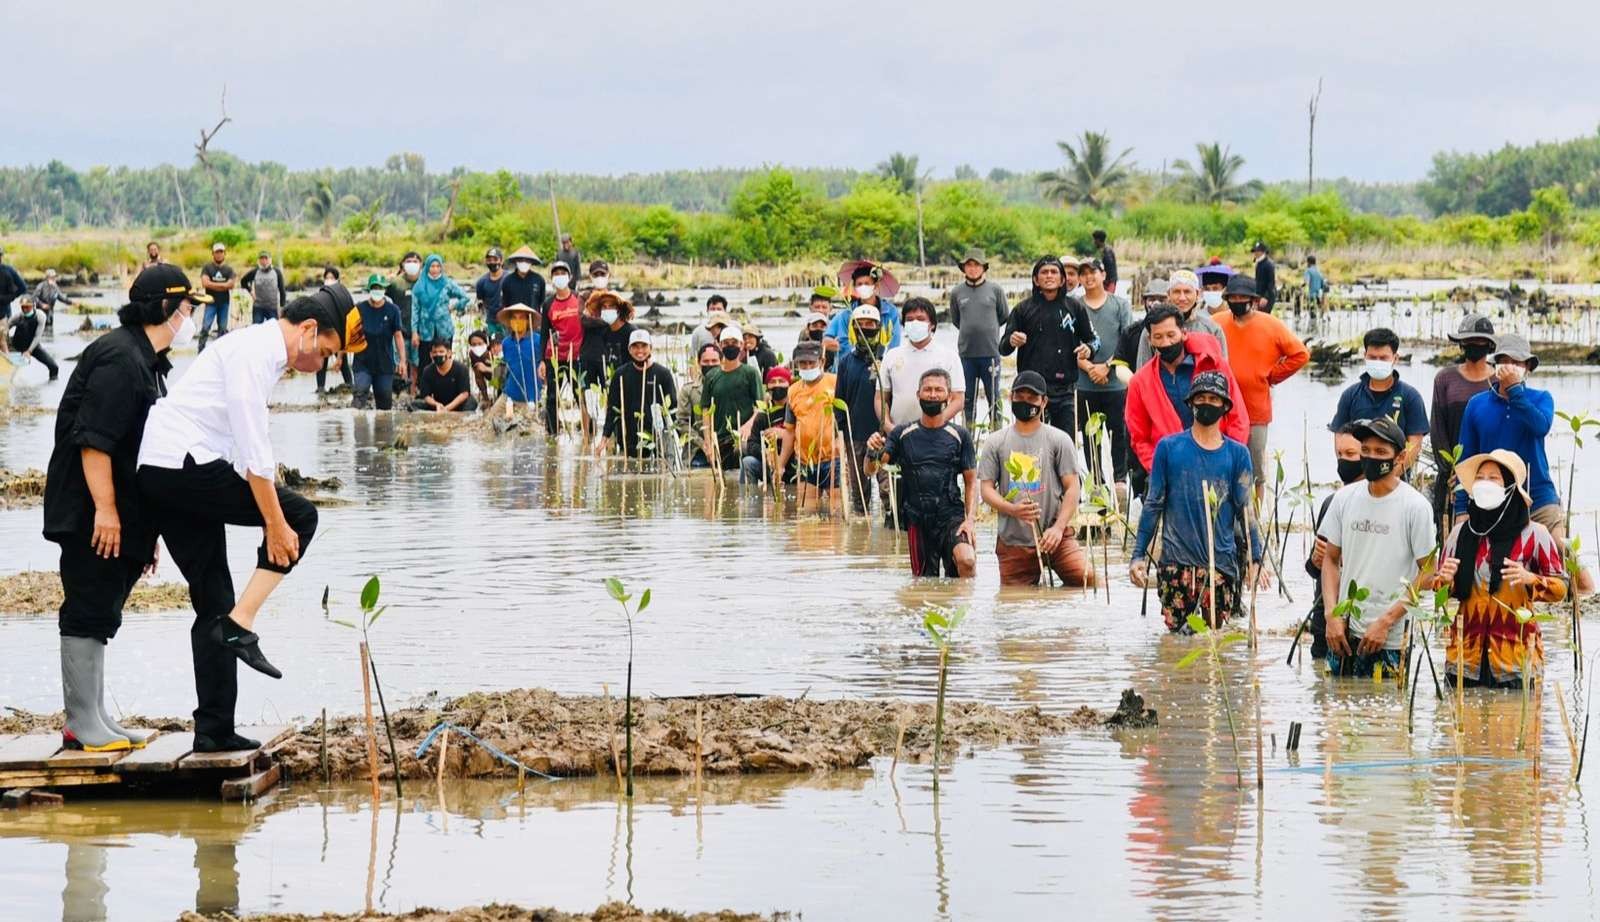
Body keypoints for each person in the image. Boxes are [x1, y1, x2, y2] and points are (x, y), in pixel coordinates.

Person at [137, 293, 344, 752]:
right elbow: (255, 456)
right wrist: (274, 522)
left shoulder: (254, 351)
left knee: (213, 599)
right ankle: (242, 623)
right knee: (300, 517)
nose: (323, 363)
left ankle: (213, 730)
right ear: (308, 329)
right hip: (184, 466)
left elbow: (236, 448)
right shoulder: (256, 353)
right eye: (327, 353)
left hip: (166, 471)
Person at [42, 265, 195, 752]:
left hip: (119, 512)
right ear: (166, 309)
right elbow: (94, 443)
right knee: (87, 607)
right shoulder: (118, 359)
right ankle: (80, 722)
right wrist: (106, 511)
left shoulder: (146, 360)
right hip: (90, 511)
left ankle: (97, 716)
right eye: (187, 308)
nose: (191, 317)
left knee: (103, 609)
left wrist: (142, 531)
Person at [1130, 371, 1265, 632]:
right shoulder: (1168, 448)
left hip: (1220, 568)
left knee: (1211, 642)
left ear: (1225, 406)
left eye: (1213, 399)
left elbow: (1245, 511)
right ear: (1191, 403)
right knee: (1178, 647)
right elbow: (1153, 504)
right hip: (1174, 567)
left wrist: (1255, 559)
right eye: (1201, 397)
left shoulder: (1238, 454)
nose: (1206, 403)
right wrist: (1138, 556)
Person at [1434, 450, 1568, 688]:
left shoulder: (1534, 535)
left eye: (1493, 477)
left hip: (1516, 660)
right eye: (1480, 477)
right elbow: (1442, 590)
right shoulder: (1459, 534)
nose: (1485, 483)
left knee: (1515, 721)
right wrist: (1444, 580)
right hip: (1464, 658)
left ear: (1510, 487)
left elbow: (1561, 589)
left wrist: (1531, 579)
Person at [1318, 417, 1438, 677]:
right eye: (1366, 450)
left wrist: (1386, 621)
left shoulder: (1415, 507)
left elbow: (1427, 574)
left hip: (1390, 637)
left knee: (1386, 713)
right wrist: (1331, 615)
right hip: (1343, 630)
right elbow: (1330, 560)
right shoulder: (1343, 499)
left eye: (1381, 452)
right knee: (1338, 710)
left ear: (1400, 457)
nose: (1372, 457)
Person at [978, 371, 1093, 587]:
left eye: (1032, 398)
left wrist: (1058, 528)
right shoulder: (996, 442)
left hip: (1056, 536)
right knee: (1015, 603)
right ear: (1011, 397)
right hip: (1014, 542)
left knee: (1089, 581)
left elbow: (1072, 488)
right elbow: (986, 489)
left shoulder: (1059, 439)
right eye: (1019, 396)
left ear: (1044, 402)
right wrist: (1011, 509)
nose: (1025, 402)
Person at [865, 369, 978, 578]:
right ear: (918, 395)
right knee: (924, 584)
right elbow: (872, 468)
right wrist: (871, 451)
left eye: (938, 390)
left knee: (967, 561)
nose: (933, 395)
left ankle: (966, 609)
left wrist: (970, 520)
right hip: (917, 520)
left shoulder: (960, 435)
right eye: (927, 390)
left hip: (951, 516)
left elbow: (972, 482)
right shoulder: (902, 434)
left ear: (949, 396)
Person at [1125, 307, 1249, 493]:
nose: (1166, 342)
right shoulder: (1139, 382)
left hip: (1218, 462)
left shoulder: (1214, 365)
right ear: (1149, 340)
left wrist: (1228, 460)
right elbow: (1139, 437)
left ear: (1183, 333)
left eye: (1171, 335)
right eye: (1158, 337)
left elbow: (1237, 418)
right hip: (1170, 471)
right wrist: (1159, 469)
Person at [1453, 335, 1565, 538]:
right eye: (1504, 361)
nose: (1509, 367)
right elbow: (1466, 457)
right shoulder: (1476, 404)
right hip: (1491, 499)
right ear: (1495, 365)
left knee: (1561, 549)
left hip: (1538, 495)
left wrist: (1515, 390)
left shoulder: (1541, 399)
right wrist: (1461, 509)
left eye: (1516, 362)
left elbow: (1540, 426)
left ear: (1528, 367)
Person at [1212, 275, 1309, 496]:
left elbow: (1300, 354)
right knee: (1221, 464)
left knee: (1255, 469)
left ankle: (1254, 519)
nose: (1237, 301)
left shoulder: (1271, 325)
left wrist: (1273, 375)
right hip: (1221, 408)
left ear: (1253, 300)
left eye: (1242, 297)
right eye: (1233, 297)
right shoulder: (1217, 322)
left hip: (1255, 409)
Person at [999, 255, 1098, 436]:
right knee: (1031, 446)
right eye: (1044, 272)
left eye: (1054, 272)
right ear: (1036, 280)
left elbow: (1094, 340)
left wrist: (1088, 349)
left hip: (1065, 390)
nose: (1049, 276)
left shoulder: (1075, 308)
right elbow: (1003, 347)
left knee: (1066, 446)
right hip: (1031, 392)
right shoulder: (1022, 309)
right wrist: (1012, 340)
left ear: (1062, 280)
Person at [1302, 429, 1369, 659]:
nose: (1344, 461)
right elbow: (1314, 569)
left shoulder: (1382, 506)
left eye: (1351, 454)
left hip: (1362, 622)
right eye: (1339, 454)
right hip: (1326, 622)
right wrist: (1315, 560)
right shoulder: (1331, 503)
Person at [1074, 256, 1136, 501]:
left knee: (1119, 434)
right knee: (1090, 437)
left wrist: (1106, 366)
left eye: (1094, 272)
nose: (1089, 277)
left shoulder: (1120, 305)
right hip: (1084, 383)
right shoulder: (1075, 306)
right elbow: (1070, 343)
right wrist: (1090, 367)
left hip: (1115, 384)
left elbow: (1127, 340)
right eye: (1084, 273)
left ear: (1103, 275)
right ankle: (1097, 483)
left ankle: (1120, 482)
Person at [1328, 328, 1428, 473]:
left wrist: (1391, 477)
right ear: (1365, 356)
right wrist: (1350, 471)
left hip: (1397, 480)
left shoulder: (1410, 397)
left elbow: (1415, 444)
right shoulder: (1350, 395)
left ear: (1395, 358)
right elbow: (1339, 437)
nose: (1377, 362)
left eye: (1383, 358)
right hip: (1357, 478)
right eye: (1373, 358)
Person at [1431, 314, 1496, 520]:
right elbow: (1438, 431)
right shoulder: (1445, 379)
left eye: (1480, 341)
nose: (1474, 345)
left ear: (1489, 345)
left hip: (1492, 477)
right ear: (1461, 344)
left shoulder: (1499, 381)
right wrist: (1452, 471)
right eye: (1469, 341)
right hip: (1452, 476)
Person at [835, 304, 891, 517]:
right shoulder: (847, 362)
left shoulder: (887, 359)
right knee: (859, 492)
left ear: (879, 327)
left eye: (871, 325)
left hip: (883, 434)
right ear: (854, 328)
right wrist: (841, 434)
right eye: (862, 325)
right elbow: (839, 399)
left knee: (887, 488)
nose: (866, 329)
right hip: (855, 434)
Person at [947, 247, 1009, 429]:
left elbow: (1004, 315)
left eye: (976, 265)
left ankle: (996, 435)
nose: (972, 268)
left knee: (994, 398)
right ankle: (969, 436)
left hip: (991, 353)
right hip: (966, 355)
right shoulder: (957, 292)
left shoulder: (995, 290)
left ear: (984, 268)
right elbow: (957, 320)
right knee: (967, 399)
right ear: (963, 268)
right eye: (969, 265)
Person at [880, 297, 964, 428]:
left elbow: (958, 399)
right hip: (899, 432)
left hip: (937, 433)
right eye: (909, 319)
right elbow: (880, 398)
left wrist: (936, 423)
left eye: (920, 319)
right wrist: (888, 427)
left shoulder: (949, 357)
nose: (914, 323)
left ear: (932, 324)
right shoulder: (891, 356)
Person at [774, 342, 840, 507]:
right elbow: (789, 431)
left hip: (833, 458)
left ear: (822, 362)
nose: (808, 366)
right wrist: (780, 465)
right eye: (803, 363)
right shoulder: (793, 391)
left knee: (837, 512)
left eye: (812, 363)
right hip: (805, 461)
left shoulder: (835, 383)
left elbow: (847, 422)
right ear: (796, 365)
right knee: (806, 514)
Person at [601, 330, 679, 459]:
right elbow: (612, 409)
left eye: (644, 346)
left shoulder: (663, 374)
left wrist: (680, 436)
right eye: (635, 347)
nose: (640, 351)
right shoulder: (620, 375)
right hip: (629, 438)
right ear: (629, 349)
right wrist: (605, 437)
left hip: (658, 438)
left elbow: (673, 409)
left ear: (651, 348)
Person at [700, 324, 764, 471]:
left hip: (744, 438)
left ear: (741, 345)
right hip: (720, 439)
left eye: (734, 343)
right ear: (720, 345)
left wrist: (748, 425)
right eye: (726, 343)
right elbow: (706, 411)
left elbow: (760, 407)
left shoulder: (750, 373)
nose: (730, 346)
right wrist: (708, 442)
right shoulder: (711, 376)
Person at [1134, 269, 1227, 368]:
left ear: (1198, 294)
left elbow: (1222, 371)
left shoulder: (1212, 329)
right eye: (1177, 292)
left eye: (1187, 292)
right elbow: (1142, 371)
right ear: (1168, 295)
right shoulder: (1153, 329)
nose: (1182, 298)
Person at [824, 261, 902, 360]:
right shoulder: (847, 313)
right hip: (851, 363)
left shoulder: (890, 312)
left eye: (867, 283)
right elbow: (833, 339)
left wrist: (888, 363)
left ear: (876, 286)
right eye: (859, 284)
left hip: (881, 362)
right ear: (855, 287)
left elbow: (895, 343)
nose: (863, 287)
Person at [539, 260, 583, 433]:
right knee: (551, 398)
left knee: (579, 395)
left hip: (576, 355)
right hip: (555, 357)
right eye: (556, 274)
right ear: (552, 279)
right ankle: (552, 434)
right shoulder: (548, 304)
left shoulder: (579, 299)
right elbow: (544, 334)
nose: (559, 277)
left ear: (570, 277)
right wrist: (542, 360)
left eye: (562, 273)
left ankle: (589, 430)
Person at [352, 275, 406, 411]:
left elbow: (398, 336)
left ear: (384, 290)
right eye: (374, 287)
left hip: (385, 363)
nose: (377, 290)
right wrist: (341, 356)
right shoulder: (359, 309)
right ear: (369, 289)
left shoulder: (393, 310)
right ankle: (359, 428)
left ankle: (383, 431)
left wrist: (402, 361)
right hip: (362, 362)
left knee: (384, 403)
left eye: (380, 287)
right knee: (360, 393)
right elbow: (350, 334)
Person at [740, 366, 793, 485]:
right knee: (748, 462)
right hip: (769, 465)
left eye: (781, 381)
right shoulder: (764, 415)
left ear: (789, 384)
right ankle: (748, 499)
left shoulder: (795, 409)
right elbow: (751, 444)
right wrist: (765, 453)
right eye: (773, 382)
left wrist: (784, 434)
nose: (777, 385)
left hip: (794, 465)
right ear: (767, 387)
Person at [409, 254, 469, 352]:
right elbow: (415, 311)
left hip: (445, 329)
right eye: (432, 266)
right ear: (427, 267)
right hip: (425, 331)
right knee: (426, 362)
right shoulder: (419, 286)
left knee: (445, 360)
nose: (435, 269)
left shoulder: (447, 283)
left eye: (438, 266)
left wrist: (454, 307)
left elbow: (465, 297)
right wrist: (414, 332)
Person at [386, 251, 423, 392]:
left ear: (421, 265)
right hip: (399, 331)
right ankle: (402, 391)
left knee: (416, 363)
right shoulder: (396, 283)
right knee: (400, 363)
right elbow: (381, 297)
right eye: (408, 261)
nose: (412, 264)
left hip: (420, 331)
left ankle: (413, 390)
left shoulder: (424, 282)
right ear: (402, 264)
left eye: (415, 261)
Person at [496, 303, 542, 415]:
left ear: (527, 321)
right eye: (514, 318)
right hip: (509, 394)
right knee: (490, 422)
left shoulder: (537, 341)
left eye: (521, 318)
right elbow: (505, 369)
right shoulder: (506, 343)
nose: (518, 321)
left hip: (530, 398)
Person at [682, 344, 723, 467]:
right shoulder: (688, 390)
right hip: (697, 451)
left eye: (714, 361)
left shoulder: (730, 387)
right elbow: (682, 423)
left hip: (724, 447)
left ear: (722, 361)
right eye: (706, 361)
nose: (710, 364)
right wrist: (703, 443)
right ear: (699, 363)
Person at [415, 340, 477, 412]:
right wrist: (436, 404)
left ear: (449, 353)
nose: (438, 354)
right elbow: (426, 396)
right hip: (438, 404)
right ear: (431, 355)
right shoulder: (427, 371)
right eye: (435, 352)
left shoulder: (461, 368)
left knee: (471, 402)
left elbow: (464, 394)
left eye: (441, 352)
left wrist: (447, 408)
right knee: (414, 404)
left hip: (458, 404)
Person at [499, 246, 546, 340]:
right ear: (516, 261)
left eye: (527, 261)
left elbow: (541, 301)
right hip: (514, 325)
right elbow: (505, 303)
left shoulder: (538, 280)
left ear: (531, 263)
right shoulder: (507, 281)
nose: (524, 263)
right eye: (521, 260)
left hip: (532, 324)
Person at [8, 298, 59, 379]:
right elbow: (5, 328)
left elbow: (37, 336)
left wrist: (29, 351)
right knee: (11, 371)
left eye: (27, 307)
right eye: (23, 307)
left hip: (33, 346)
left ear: (33, 306)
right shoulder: (18, 316)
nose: (25, 309)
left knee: (54, 367)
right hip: (17, 346)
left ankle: (52, 384)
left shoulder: (40, 316)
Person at [197, 243, 235, 351]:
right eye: (217, 252)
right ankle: (201, 351)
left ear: (224, 254)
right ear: (212, 254)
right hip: (210, 302)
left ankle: (220, 351)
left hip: (224, 303)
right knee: (205, 327)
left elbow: (231, 285)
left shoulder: (229, 269)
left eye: (221, 252)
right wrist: (223, 286)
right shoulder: (207, 268)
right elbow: (205, 283)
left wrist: (213, 284)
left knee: (222, 329)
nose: (219, 254)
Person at [239, 251, 286, 325]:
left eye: (266, 258)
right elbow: (243, 281)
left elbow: (282, 290)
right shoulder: (255, 272)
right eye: (262, 259)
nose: (264, 261)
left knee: (273, 330)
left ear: (270, 260)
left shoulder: (277, 272)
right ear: (259, 260)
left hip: (272, 307)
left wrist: (282, 307)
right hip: (258, 307)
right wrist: (251, 291)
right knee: (256, 329)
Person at [690, 294, 732, 361]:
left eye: (719, 309)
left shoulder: (733, 329)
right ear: (707, 311)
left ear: (725, 311)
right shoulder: (698, 332)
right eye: (712, 309)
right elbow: (693, 357)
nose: (715, 312)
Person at [475, 246, 506, 335]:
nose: (492, 262)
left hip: (507, 321)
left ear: (501, 261)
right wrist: (482, 322)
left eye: (495, 259)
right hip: (491, 322)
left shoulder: (509, 279)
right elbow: (480, 304)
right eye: (489, 260)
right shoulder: (481, 282)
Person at [33, 267, 73, 332]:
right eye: (53, 277)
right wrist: (42, 305)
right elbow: (34, 297)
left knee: (50, 331)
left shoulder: (55, 287)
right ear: (47, 277)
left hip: (50, 314)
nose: (54, 279)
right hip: (40, 314)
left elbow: (62, 298)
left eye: (55, 277)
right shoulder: (40, 286)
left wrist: (72, 303)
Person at [466, 330, 496, 407]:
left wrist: (486, 368)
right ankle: (485, 398)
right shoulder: (472, 354)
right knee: (477, 370)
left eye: (480, 344)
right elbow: (475, 370)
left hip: (498, 375)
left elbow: (502, 371)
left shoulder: (493, 351)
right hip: (485, 374)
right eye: (474, 344)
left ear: (486, 343)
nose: (477, 347)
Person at [1250, 241, 1277, 313]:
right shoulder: (1259, 263)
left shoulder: (1269, 264)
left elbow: (1271, 282)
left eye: (1258, 251)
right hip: (1259, 296)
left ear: (1263, 252)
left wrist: (1266, 297)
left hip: (1267, 296)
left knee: (1264, 317)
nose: (1255, 253)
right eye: (1255, 251)